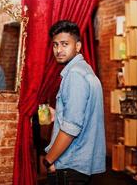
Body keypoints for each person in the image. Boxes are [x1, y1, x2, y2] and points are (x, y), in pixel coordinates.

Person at [42, 20, 106, 185]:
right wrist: (59, 114)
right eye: (55, 45)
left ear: (77, 46)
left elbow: (71, 128)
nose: (58, 50)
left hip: (70, 164)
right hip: (82, 164)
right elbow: (84, 115)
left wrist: (48, 160)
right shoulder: (86, 70)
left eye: (65, 44)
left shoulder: (75, 75)